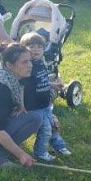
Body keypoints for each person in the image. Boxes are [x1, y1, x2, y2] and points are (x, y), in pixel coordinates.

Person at [19, 32, 72, 161]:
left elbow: (41, 80)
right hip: (34, 106)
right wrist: (21, 105)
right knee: (45, 129)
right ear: (24, 49)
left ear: (44, 48)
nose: (36, 49)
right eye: (31, 46)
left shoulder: (40, 63)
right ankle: (40, 152)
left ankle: (59, 146)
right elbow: (21, 87)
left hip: (45, 103)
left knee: (53, 125)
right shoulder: (27, 66)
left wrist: (53, 85)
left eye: (39, 47)